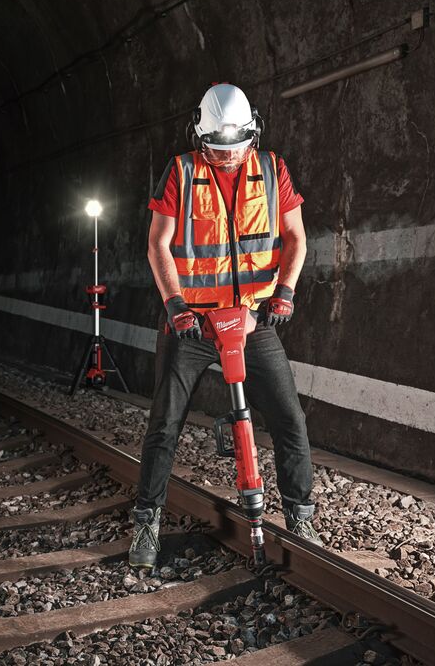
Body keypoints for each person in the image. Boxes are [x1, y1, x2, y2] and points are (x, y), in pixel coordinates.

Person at [129, 83, 323, 568]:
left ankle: (300, 518)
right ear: (200, 137)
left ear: (253, 134)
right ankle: (146, 523)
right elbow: (158, 243)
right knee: (165, 424)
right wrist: (175, 305)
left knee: (290, 420)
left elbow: (296, 238)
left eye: (236, 147)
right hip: (192, 324)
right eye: (217, 148)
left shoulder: (272, 169)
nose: (228, 156)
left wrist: (284, 292)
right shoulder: (181, 171)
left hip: (252, 320)